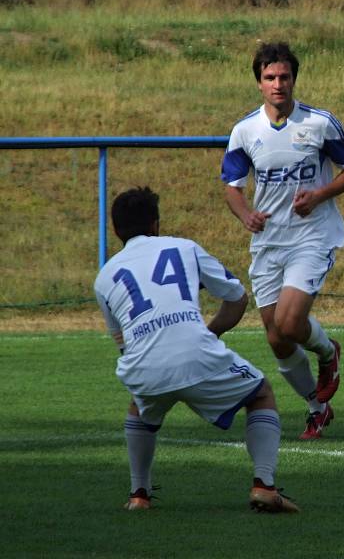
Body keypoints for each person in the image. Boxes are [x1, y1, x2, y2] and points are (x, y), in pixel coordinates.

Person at [94, 186, 299, 513]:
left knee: (140, 407)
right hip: (196, 353)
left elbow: (123, 342)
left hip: (141, 365)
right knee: (261, 393)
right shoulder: (184, 247)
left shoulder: (104, 277)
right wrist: (208, 332)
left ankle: (138, 496)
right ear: (155, 224)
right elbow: (236, 298)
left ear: (116, 230)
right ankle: (264, 486)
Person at [221, 42, 344, 440]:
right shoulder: (245, 131)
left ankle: (327, 352)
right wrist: (245, 212)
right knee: (275, 335)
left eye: (284, 76)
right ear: (259, 83)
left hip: (312, 236)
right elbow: (231, 187)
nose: (277, 84)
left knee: (289, 321)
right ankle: (317, 409)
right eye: (270, 77)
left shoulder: (319, 123)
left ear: (294, 79)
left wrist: (319, 195)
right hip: (268, 242)